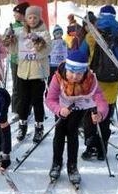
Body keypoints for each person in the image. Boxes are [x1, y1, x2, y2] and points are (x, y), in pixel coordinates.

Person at [45, 50, 108, 184]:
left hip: (79, 108)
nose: (74, 76)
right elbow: (50, 99)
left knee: (72, 132)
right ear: (66, 69)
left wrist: (101, 114)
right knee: (60, 132)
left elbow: (101, 101)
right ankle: (56, 163)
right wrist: (59, 110)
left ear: (84, 71)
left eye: (78, 73)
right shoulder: (58, 78)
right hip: (62, 108)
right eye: (71, 72)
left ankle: (72, 166)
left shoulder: (90, 80)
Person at [80, 5, 118, 160]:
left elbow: (81, 55)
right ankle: (102, 150)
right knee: (105, 117)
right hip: (113, 83)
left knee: (90, 115)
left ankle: (91, 146)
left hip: (94, 82)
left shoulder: (92, 35)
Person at [12, 5, 51, 143]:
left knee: (37, 101)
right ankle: (22, 125)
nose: (32, 20)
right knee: (23, 100)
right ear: (26, 19)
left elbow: (46, 51)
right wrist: (9, 39)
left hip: (37, 73)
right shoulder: (21, 32)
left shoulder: (44, 33)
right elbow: (13, 50)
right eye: (30, 17)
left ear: (39, 18)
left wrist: (37, 41)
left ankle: (39, 127)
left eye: (35, 17)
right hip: (23, 72)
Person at [2, 2, 29, 116]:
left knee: (28, 86)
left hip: (28, 60)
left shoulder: (30, 26)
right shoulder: (11, 27)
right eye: (14, 13)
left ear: (23, 14)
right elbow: (4, 42)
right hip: (15, 60)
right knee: (17, 86)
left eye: (16, 13)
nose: (14, 15)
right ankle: (16, 110)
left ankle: (27, 109)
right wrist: (9, 39)